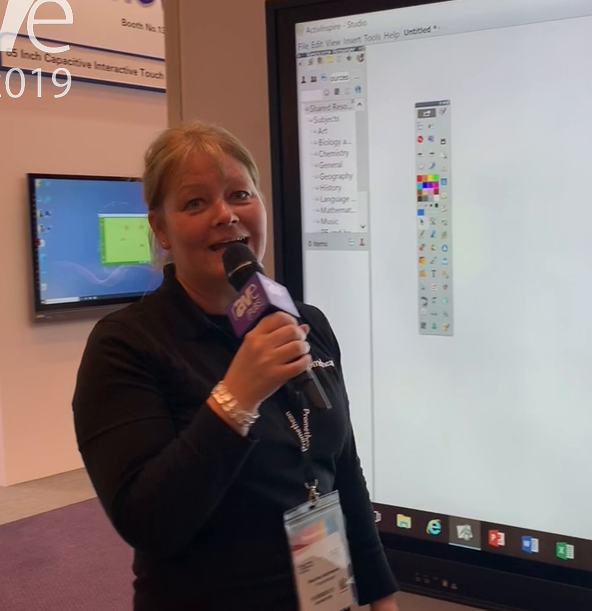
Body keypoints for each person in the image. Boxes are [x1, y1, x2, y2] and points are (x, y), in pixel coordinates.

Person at [71, 122, 400, 611]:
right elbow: (148, 522)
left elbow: (343, 471)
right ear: (160, 228)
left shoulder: (305, 322)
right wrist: (236, 398)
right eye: (195, 203)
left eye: (239, 194)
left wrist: (381, 595)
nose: (225, 215)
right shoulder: (126, 344)